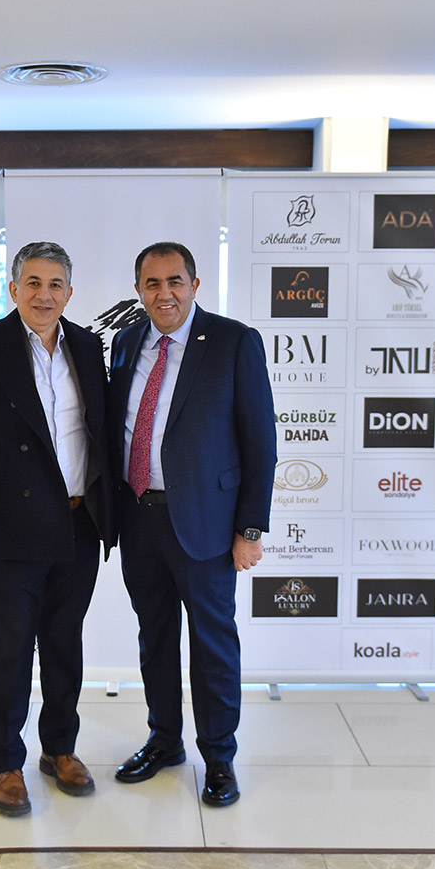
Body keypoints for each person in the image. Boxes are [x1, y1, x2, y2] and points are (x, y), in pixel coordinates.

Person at [0, 241, 114, 817]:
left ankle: (59, 749)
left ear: (69, 292)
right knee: (9, 652)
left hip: (80, 523)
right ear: (13, 289)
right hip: (16, 524)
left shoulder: (87, 345)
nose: (44, 294)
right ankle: (6, 764)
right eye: (32, 283)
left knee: (64, 644)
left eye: (55, 284)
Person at [108, 241, 276, 807]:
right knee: (154, 638)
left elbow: (260, 442)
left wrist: (249, 529)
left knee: (212, 646)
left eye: (175, 281)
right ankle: (164, 740)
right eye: (152, 284)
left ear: (195, 285)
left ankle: (219, 758)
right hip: (138, 519)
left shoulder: (233, 342)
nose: (165, 294)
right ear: (139, 290)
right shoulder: (127, 341)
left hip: (207, 524)